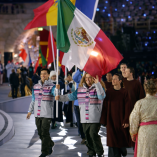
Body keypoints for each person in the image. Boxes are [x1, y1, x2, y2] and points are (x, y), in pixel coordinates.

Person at [56, 73, 106, 157]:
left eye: (90, 78)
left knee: (93, 134)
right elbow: (71, 96)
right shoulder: (80, 89)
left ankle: (100, 153)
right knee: (87, 136)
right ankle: (91, 152)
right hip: (84, 117)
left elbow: (101, 97)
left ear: (94, 78)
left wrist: (98, 84)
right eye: (86, 78)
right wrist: (60, 97)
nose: (88, 79)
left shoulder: (98, 87)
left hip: (95, 117)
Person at [26, 68, 59, 157]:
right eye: (41, 74)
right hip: (37, 113)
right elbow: (33, 100)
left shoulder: (52, 86)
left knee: (44, 132)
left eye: (45, 74)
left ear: (48, 75)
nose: (43, 75)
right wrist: (30, 111)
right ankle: (50, 143)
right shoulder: (36, 86)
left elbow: (56, 94)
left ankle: (44, 152)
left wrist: (57, 89)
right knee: (40, 133)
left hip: (47, 113)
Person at [100, 73, 133, 157]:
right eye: (113, 79)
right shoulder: (109, 92)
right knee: (112, 141)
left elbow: (128, 107)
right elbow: (105, 107)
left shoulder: (124, 92)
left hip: (121, 120)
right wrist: (103, 120)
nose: (113, 80)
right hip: (110, 120)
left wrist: (126, 120)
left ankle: (122, 149)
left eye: (115, 79)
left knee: (120, 139)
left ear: (120, 81)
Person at [129, 79, 157, 157]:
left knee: (144, 153)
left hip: (144, 133)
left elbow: (133, 119)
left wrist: (133, 133)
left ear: (145, 89)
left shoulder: (140, 103)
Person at [72, 69, 86, 144]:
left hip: (87, 104)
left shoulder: (90, 78)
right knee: (80, 122)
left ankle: (87, 137)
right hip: (78, 104)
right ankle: (83, 137)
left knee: (87, 122)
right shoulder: (79, 78)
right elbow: (74, 78)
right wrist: (79, 70)